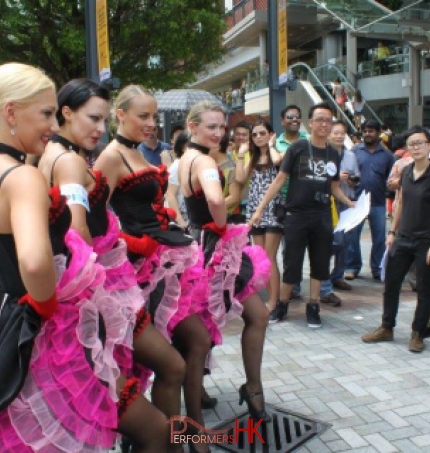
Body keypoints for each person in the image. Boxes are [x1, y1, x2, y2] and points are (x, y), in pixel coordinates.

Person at [0, 64, 168, 452]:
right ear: (11, 112)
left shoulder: (27, 166)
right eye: (44, 113)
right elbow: (37, 262)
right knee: (152, 426)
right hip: (46, 333)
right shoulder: (22, 177)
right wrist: (46, 306)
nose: (51, 122)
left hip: (12, 326)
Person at [39, 78, 181, 452]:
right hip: (100, 294)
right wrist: (115, 252)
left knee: (159, 373)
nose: (100, 130)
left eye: (103, 121)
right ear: (66, 113)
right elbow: (79, 233)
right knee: (166, 376)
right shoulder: (68, 160)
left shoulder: (56, 155)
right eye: (93, 119)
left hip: (101, 292)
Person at [94, 85, 212, 453]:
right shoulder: (111, 156)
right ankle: (170, 441)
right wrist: (131, 243)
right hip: (135, 273)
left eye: (153, 115)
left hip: (163, 264)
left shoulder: (140, 152)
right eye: (142, 116)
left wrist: (167, 219)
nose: (151, 123)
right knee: (173, 359)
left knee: (195, 342)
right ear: (121, 115)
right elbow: (93, 225)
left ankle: (186, 434)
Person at [178, 100, 271, 425]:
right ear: (193, 127)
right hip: (213, 249)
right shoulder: (202, 159)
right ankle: (247, 391)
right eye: (211, 127)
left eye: (221, 127)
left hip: (202, 247)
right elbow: (217, 199)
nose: (218, 133)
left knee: (214, 322)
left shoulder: (185, 157)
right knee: (212, 327)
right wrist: (221, 225)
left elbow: (183, 200)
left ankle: (240, 389)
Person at [249, 102, 355, 329]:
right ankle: (283, 303)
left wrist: (349, 202)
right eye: (319, 120)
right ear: (311, 123)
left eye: (328, 120)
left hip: (322, 215)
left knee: (319, 262)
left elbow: (335, 187)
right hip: (296, 215)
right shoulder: (297, 148)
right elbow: (279, 181)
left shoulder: (333, 154)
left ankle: (313, 305)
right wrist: (259, 209)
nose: (324, 124)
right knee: (292, 263)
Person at [361, 126, 430, 353]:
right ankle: (386, 327)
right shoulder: (406, 171)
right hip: (403, 237)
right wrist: (392, 232)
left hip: (425, 241)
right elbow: (399, 203)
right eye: (412, 144)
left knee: (424, 288)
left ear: (428, 145)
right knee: (391, 284)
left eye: (420, 142)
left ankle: (418, 333)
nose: (416, 147)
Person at [236, 120, 282, 316]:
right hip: (255, 208)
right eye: (254, 135)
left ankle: (274, 302)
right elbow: (239, 178)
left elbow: (277, 161)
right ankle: (271, 299)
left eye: (262, 133)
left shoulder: (275, 154)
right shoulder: (253, 157)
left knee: (270, 257)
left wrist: (270, 145)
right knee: (261, 258)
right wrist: (240, 154)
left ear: (270, 134)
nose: (258, 137)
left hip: (272, 208)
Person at [345, 120, 394, 281]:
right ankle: (352, 267)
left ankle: (377, 268)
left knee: (379, 238)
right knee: (352, 237)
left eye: (371, 131)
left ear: (379, 133)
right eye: (365, 131)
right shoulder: (354, 151)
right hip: (356, 202)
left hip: (378, 202)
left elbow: (391, 178)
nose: (367, 134)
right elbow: (348, 172)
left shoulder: (387, 156)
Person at [321, 121, 360, 299]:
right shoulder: (323, 153)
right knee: (332, 242)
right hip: (329, 203)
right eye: (335, 133)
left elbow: (356, 178)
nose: (339, 136)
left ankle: (338, 275)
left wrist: (350, 179)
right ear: (329, 134)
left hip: (347, 201)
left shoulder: (351, 155)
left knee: (346, 241)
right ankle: (324, 278)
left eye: (342, 133)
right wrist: (338, 178)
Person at [209, 132, 241, 219]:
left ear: (218, 146)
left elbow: (234, 197)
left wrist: (210, 209)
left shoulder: (231, 167)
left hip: (227, 217)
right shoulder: (208, 165)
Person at [165, 130, 190, 229]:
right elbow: (170, 194)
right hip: (182, 220)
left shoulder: (192, 163)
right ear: (183, 147)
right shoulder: (177, 166)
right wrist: (180, 220)